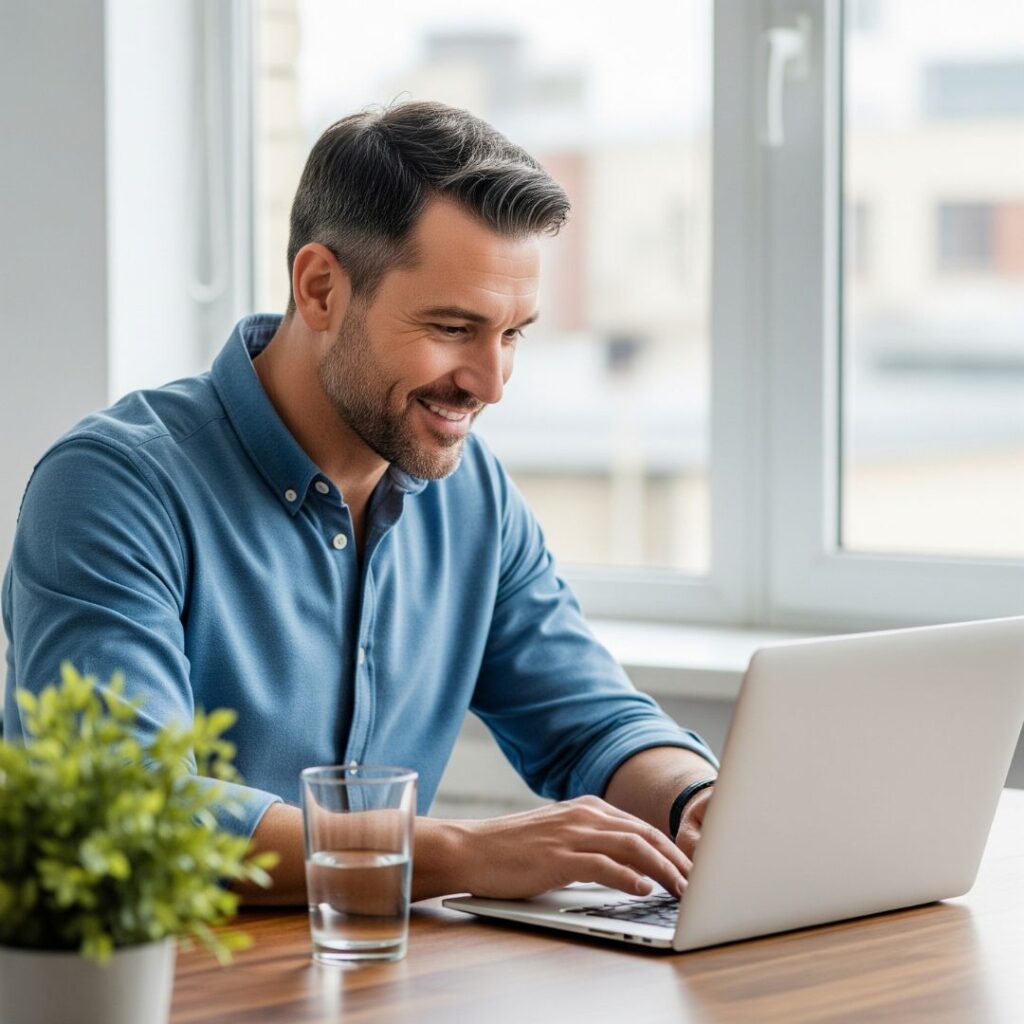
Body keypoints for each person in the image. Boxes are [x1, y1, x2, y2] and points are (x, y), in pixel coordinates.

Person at [2, 101, 717, 904]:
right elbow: (127, 813)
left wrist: (699, 801)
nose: (491, 383)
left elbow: (593, 721)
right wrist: (460, 854)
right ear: (320, 289)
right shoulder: (112, 487)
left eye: (513, 334)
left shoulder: (472, 493)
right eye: (453, 327)